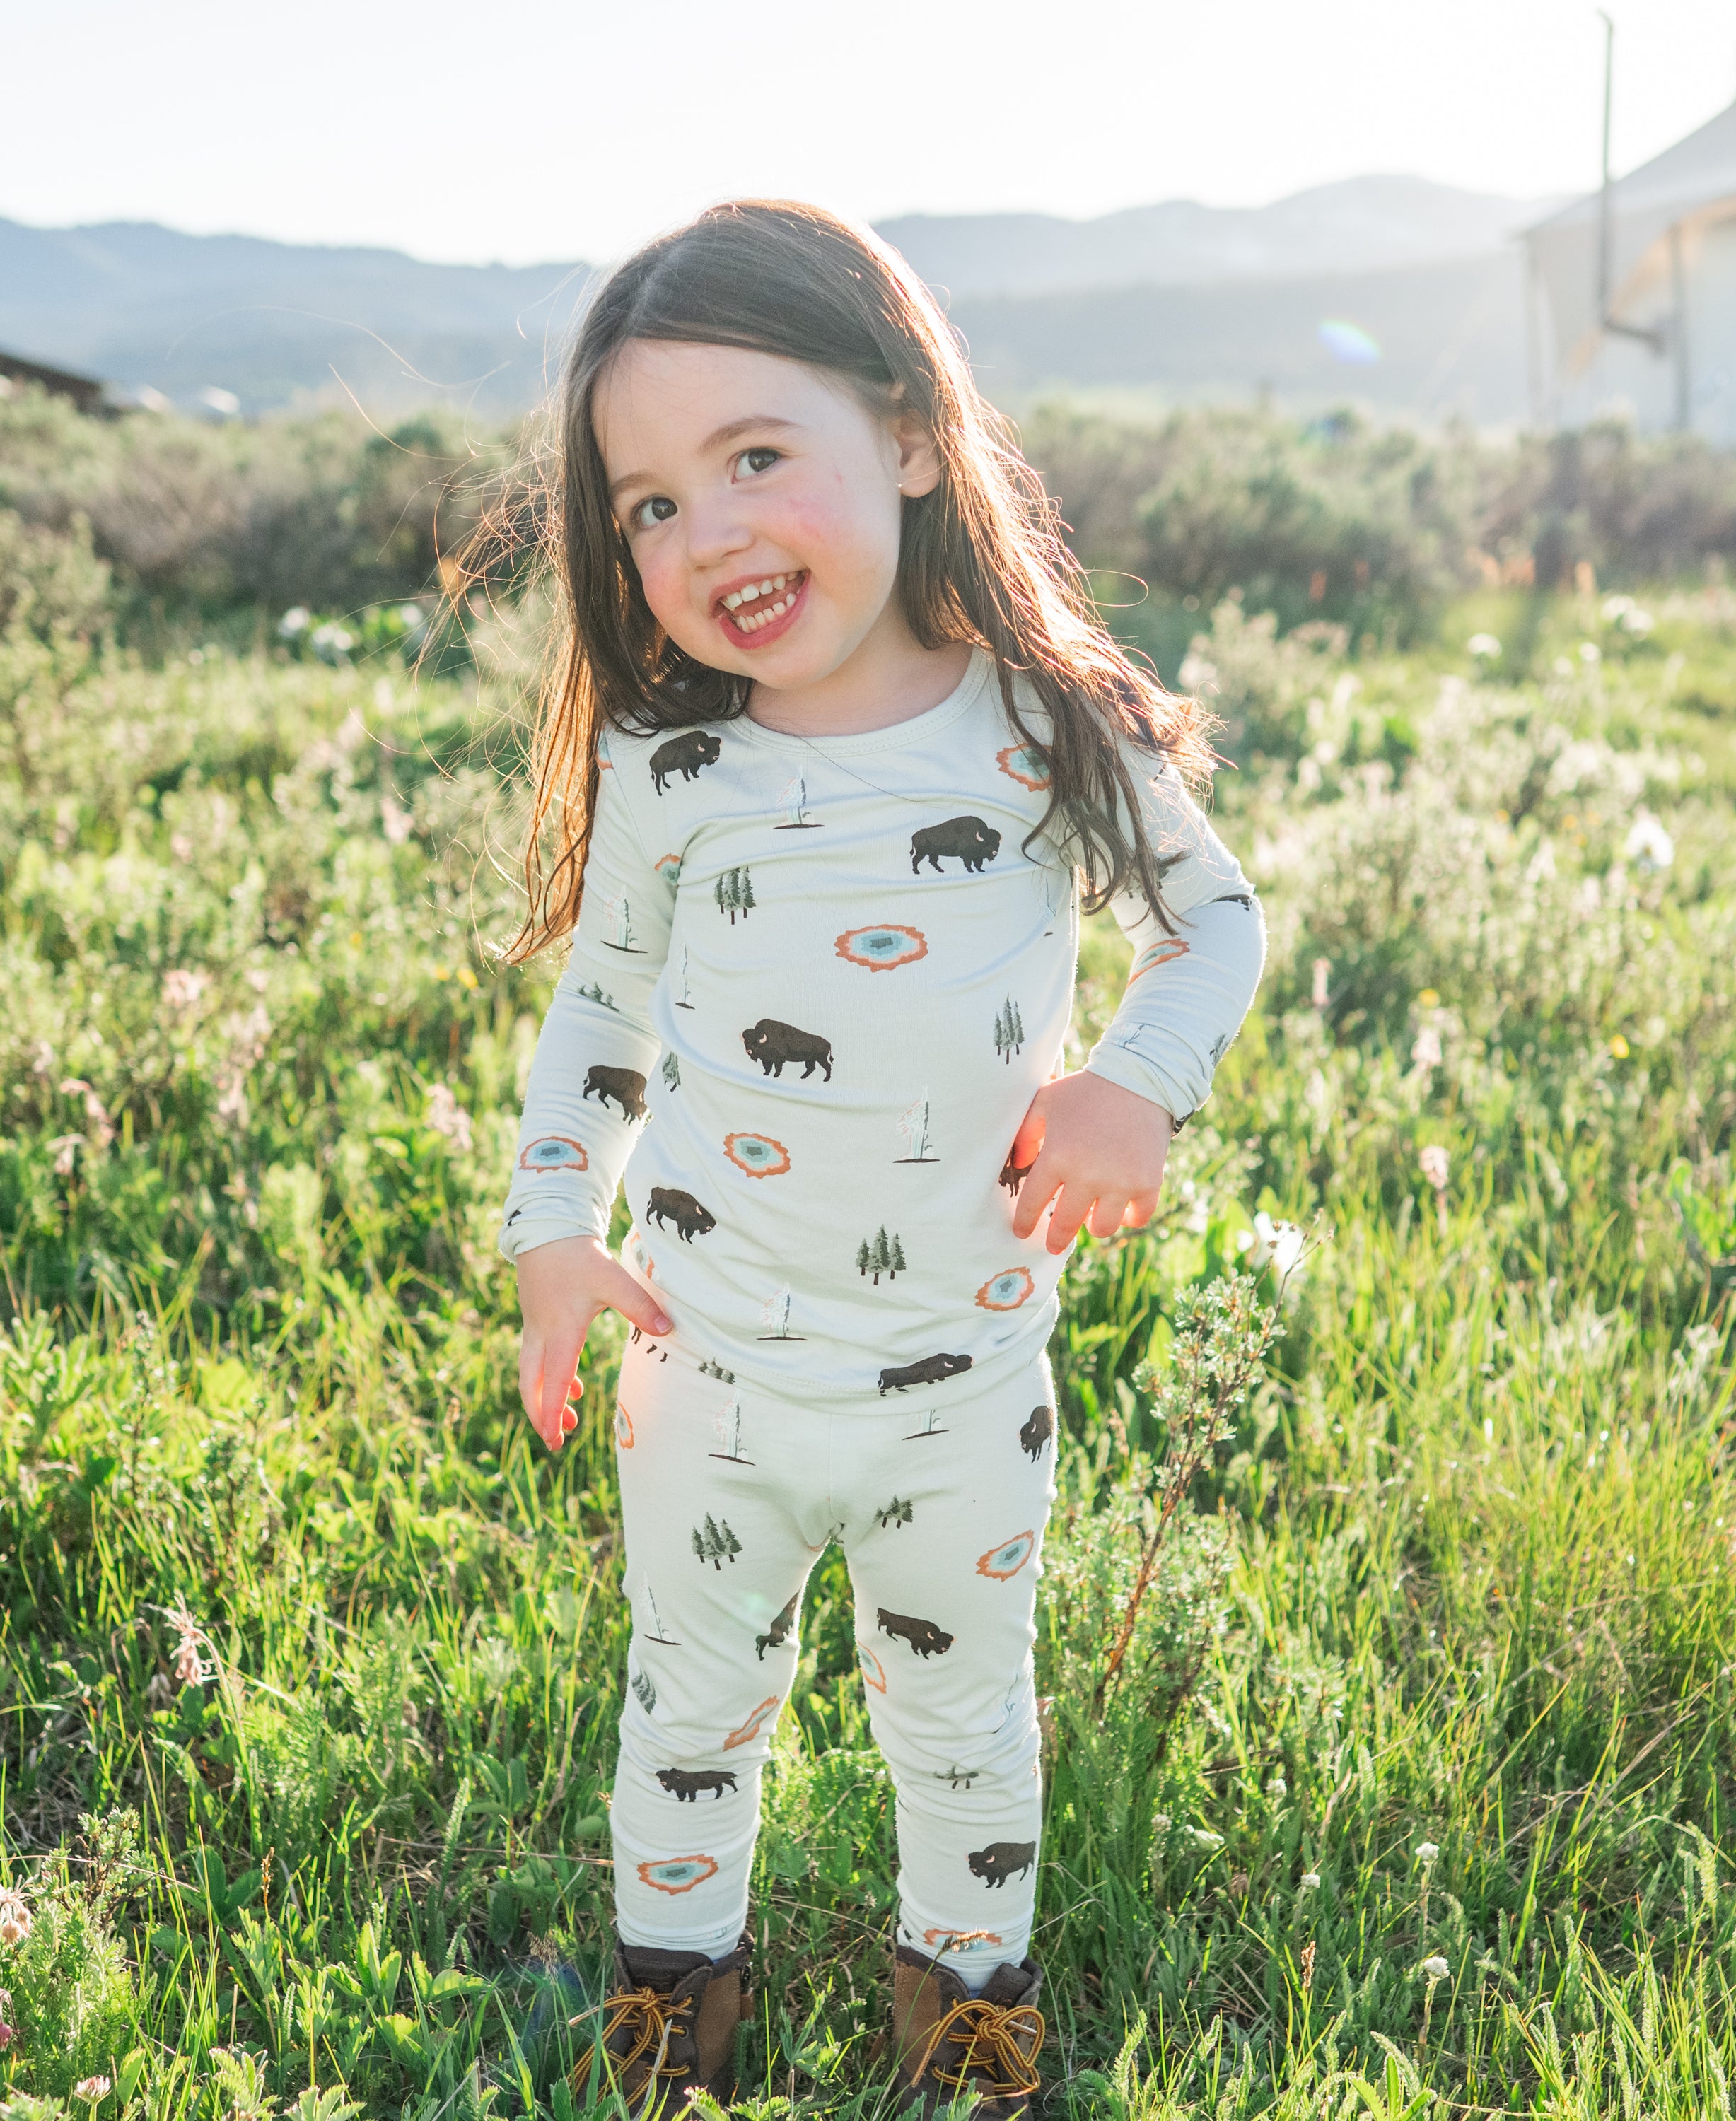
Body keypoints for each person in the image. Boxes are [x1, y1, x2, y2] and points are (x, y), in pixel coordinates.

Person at [491, 199, 1266, 2120]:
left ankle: (971, 2016)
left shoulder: (1044, 726)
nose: (709, 535)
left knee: (966, 1719)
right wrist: (550, 1230)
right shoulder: (677, 778)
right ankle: (674, 2007)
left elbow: (1217, 919)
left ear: (913, 433)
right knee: (685, 1702)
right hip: (710, 1368)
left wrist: (1138, 1088)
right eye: (649, 506)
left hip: (961, 1384)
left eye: (757, 458)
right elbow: (600, 1015)